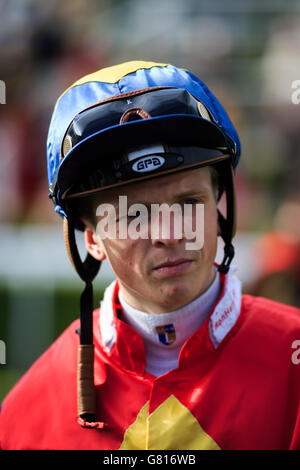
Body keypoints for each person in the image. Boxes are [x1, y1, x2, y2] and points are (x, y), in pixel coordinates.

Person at [0, 61, 300, 450]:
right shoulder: (26, 412)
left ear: (220, 206)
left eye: (189, 203)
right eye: (132, 216)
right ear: (91, 238)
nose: (171, 234)